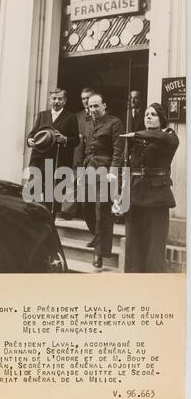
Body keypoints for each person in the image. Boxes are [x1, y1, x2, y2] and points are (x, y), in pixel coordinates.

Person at [120, 102, 179, 273]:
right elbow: (128, 169)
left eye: (153, 114)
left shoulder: (169, 137)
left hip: (157, 198)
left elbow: (161, 137)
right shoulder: (137, 140)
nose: (148, 117)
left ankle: (154, 289)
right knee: (133, 247)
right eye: (146, 114)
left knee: (154, 250)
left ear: (161, 119)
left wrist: (135, 133)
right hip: (135, 197)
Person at [81, 93, 124, 268]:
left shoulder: (115, 123)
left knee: (102, 211)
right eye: (90, 106)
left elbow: (118, 150)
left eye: (96, 106)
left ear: (104, 106)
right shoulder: (88, 123)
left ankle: (99, 253)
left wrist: (113, 172)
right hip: (89, 169)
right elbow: (84, 148)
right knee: (86, 206)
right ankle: (98, 235)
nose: (93, 110)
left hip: (105, 170)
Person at [27, 88, 79, 215]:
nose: (56, 101)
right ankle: (33, 221)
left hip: (57, 161)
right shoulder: (42, 115)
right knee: (33, 191)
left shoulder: (71, 117)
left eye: (60, 99)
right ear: (50, 100)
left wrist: (64, 139)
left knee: (52, 196)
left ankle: (50, 223)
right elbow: (33, 133)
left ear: (65, 101)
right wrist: (29, 140)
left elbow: (76, 140)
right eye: (54, 99)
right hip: (39, 160)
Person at [58, 86, 95, 220]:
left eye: (88, 98)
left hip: (93, 153)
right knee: (73, 180)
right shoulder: (77, 116)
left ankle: (89, 214)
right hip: (78, 153)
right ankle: (67, 211)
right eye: (83, 98)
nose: (85, 101)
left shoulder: (100, 114)